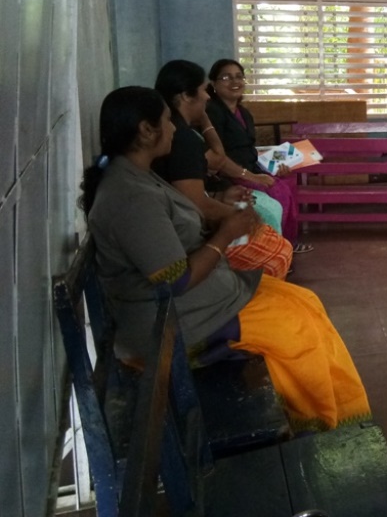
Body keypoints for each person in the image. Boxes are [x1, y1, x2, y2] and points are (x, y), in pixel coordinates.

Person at [81, 86, 371, 431]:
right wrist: (227, 233)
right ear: (146, 130)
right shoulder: (130, 197)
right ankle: (319, 421)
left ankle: (334, 412)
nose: (173, 129)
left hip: (200, 302)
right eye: (167, 121)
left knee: (306, 301)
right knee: (296, 329)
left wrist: (221, 203)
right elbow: (176, 279)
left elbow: (174, 230)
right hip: (174, 323)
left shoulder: (139, 178)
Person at [154, 59, 293, 279]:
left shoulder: (193, 131)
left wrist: (221, 197)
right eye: (203, 89)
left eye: (239, 76)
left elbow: (191, 191)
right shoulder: (183, 139)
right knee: (275, 249)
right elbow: (198, 200)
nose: (207, 96)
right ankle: (255, 276)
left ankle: (272, 257)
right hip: (192, 239)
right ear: (186, 96)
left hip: (212, 201)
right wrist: (241, 215)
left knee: (277, 210)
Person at [205, 58, 311, 253]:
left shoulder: (244, 113)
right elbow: (217, 156)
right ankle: (271, 249)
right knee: (276, 193)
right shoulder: (212, 112)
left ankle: (286, 243)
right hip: (228, 176)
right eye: (226, 77)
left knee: (286, 183)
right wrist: (253, 177)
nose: (234, 82)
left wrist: (272, 166)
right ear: (213, 84)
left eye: (239, 77)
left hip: (251, 167)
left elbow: (248, 149)